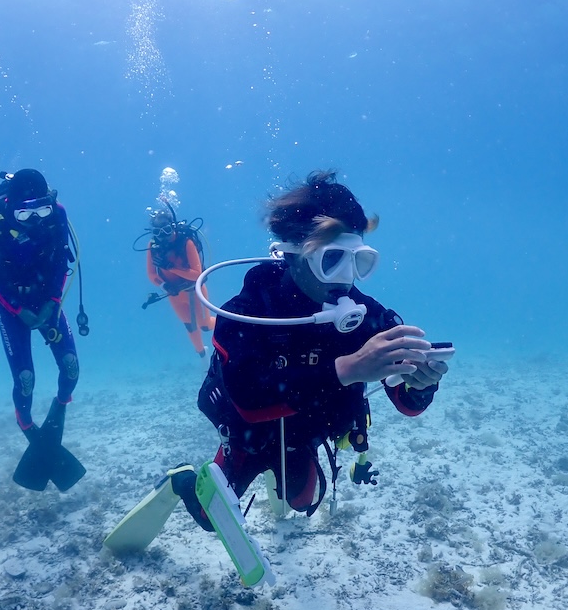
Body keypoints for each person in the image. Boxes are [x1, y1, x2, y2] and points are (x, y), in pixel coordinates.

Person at [104, 170, 452, 586]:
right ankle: (182, 480)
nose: (346, 279)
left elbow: (409, 405)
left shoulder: (367, 314)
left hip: (305, 430)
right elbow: (249, 399)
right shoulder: (246, 312)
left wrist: (421, 383)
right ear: (292, 254)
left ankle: (283, 477)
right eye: (332, 259)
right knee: (211, 518)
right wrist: (351, 368)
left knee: (304, 501)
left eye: (358, 261)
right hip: (251, 432)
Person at [0, 168, 86, 492]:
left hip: (47, 301)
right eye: (25, 213)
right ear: (11, 207)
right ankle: (27, 426)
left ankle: (58, 412)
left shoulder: (57, 215)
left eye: (42, 211)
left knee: (71, 368)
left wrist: (52, 301)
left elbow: (61, 263)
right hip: (11, 308)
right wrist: (18, 310)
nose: (35, 219)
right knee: (25, 379)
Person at [144, 208, 215, 357]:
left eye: (167, 230)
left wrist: (171, 267)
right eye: (158, 233)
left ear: (173, 227)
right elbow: (151, 274)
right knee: (190, 325)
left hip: (195, 291)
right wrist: (164, 285)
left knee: (205, 325)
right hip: (174, 294)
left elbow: (197, 275)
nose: (163, 236)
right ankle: (202, 355)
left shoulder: (186, 242)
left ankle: (232, 320)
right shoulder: (153, 246)